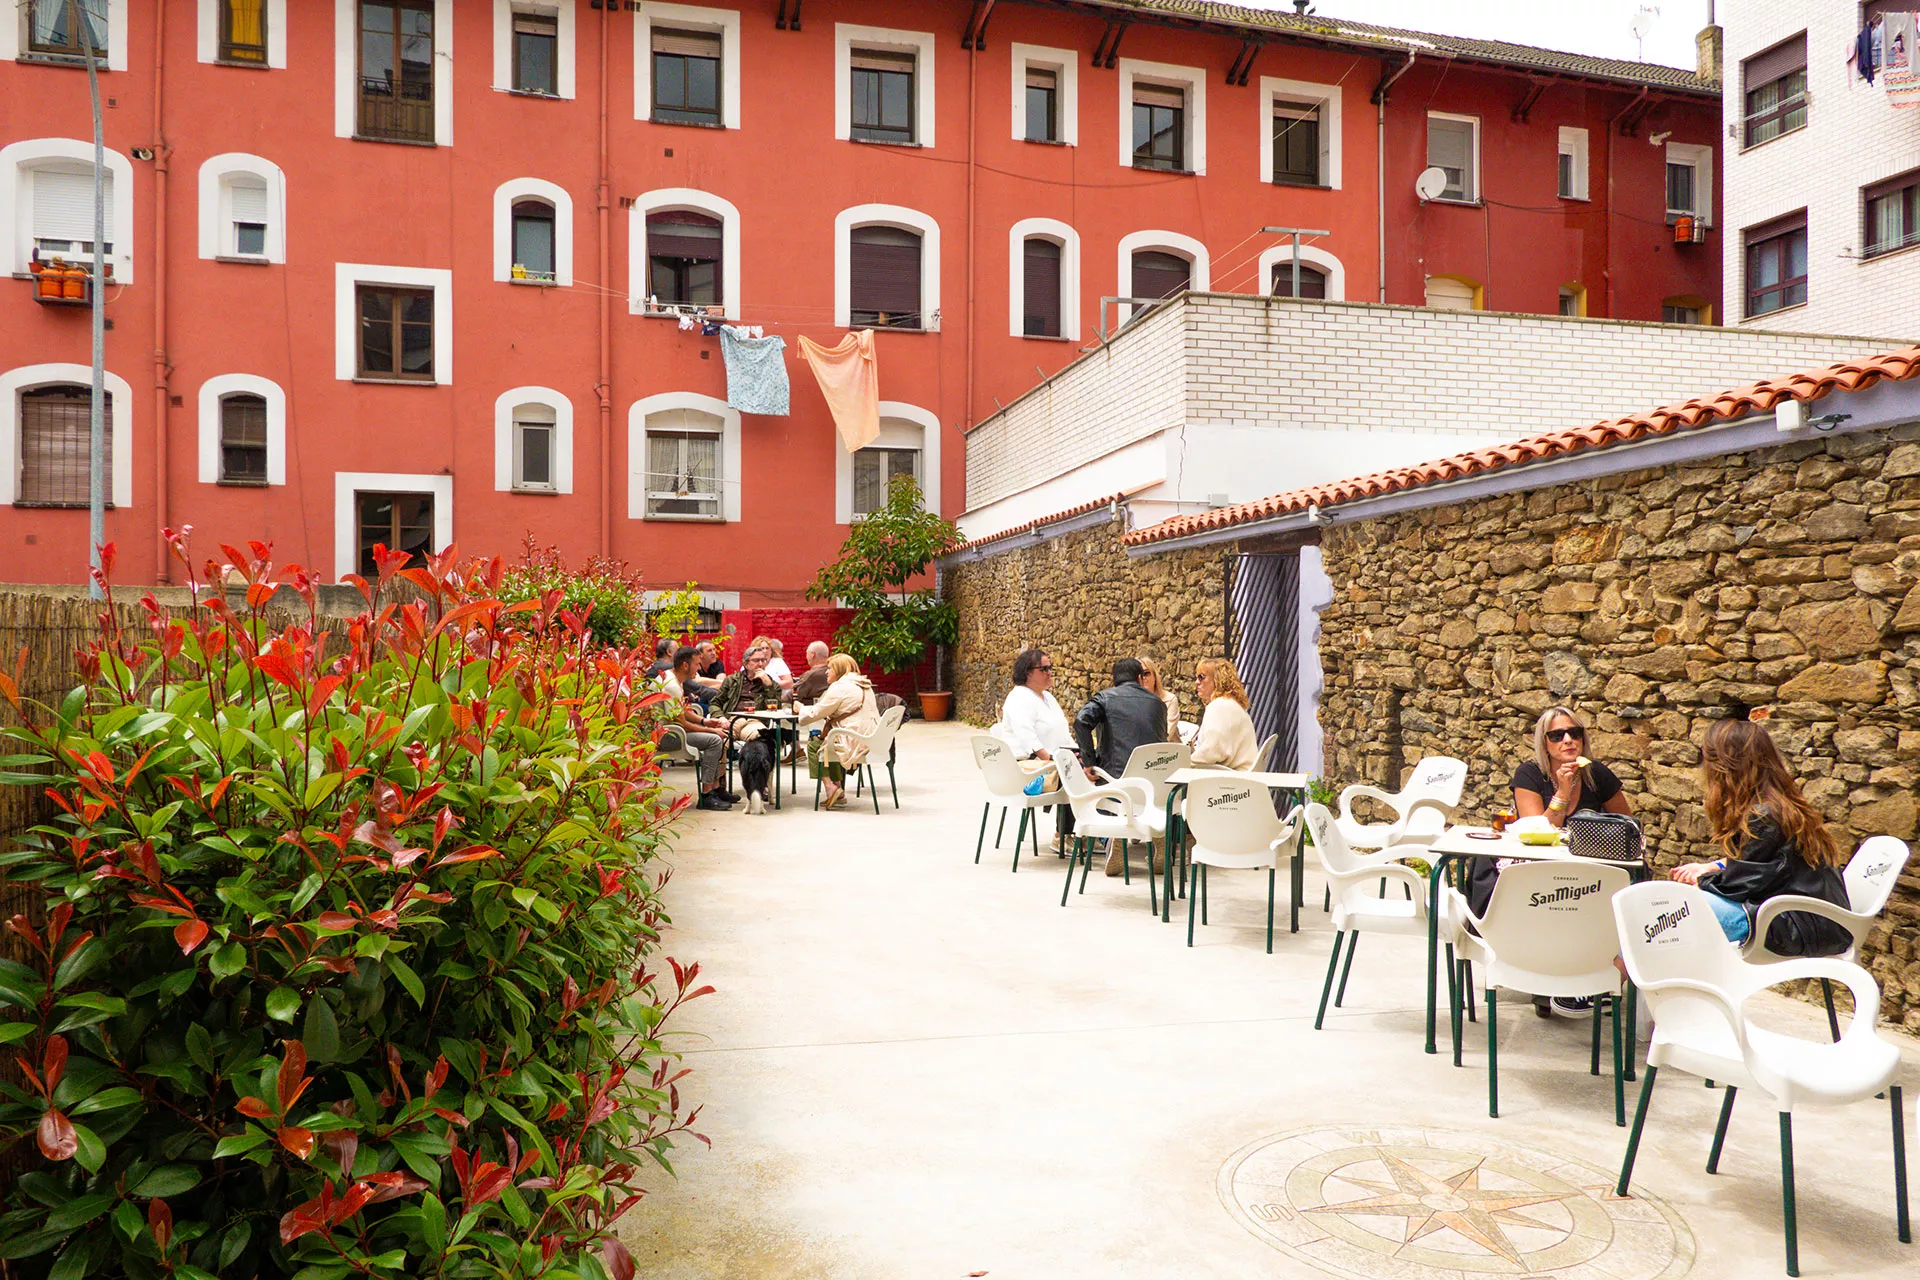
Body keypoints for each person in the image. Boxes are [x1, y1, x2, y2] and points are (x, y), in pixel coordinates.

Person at [1496, 705, 1635, 1016]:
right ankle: (1548, 980)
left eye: (1575, 733)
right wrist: (1561, 791)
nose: (1568, 740)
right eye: (1557, 735)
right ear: (1545, 743)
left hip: (1592, 866)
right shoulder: (1530, 775)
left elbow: (1627, 823)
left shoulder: (1597, 775)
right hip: (1544, 867)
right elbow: (1537, 830)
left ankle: (1598, 979)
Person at [1669, 718, 1849, 955]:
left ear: (1722, 765)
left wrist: (1699, 882)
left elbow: (1739, 886)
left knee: (1666, 913)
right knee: (1664, 917)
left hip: (1793, 925)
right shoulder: (1777, 803)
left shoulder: (1762, 815)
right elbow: (1770, 865)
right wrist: (1711, 867)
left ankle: (1625, 984)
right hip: (1812, 921)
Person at [1074, 657, 1169, 875]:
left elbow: (1081, 720)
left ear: (1114, 680)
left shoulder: (1105, 698)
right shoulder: (1158, 704)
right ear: (1139, 678)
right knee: (1145, 792)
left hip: (1117, 780)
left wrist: (1089, 762)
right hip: (1154, 785)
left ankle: (1117, 835)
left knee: (1096, 783)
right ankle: (1158, 837)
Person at [996, 648, 1077, 851]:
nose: (1049, 672)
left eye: (1050, 668)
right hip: (1027, 768)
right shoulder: (1020, 698)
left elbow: (1063, 734)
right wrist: (1054, 759)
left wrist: (1078, 753)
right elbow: (1028, 739)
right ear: (1028, 672)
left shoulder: (1048, 698)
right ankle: (1064, 835)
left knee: (1090, 767)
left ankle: (1089, 831)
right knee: (1072, 774)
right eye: (1044, 669)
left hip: (1051, 760)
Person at [797, 653, 879, 810]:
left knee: (815, 745)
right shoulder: (865, 685)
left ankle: (831, 787)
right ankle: (838, 789)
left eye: (830, 668)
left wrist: (801, 708)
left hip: (854, 742)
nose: (827, 672)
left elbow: (815, 714)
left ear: (840, 670)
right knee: (828, 741)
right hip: (872, 740)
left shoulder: (840, 687)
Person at [712, 643, 783, 814]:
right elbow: (716, 703)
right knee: (717, 743)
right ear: (746, 663)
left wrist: (768, 685)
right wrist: (720, 717)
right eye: (756, 661)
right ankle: (719, 788)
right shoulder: (732, 680)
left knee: (761, 742)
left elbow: (777, 705)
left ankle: (760, 785)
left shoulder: (769, 682)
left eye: (763, 660)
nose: (760, 664)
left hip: (753, 722)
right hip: (731, 721)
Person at [664, 646, 737, 811]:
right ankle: (706, 796)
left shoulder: (674, 679)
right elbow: (682, 724)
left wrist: (705, 721)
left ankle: (717, 788)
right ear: (685, 665)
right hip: (669, 736)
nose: (698, 669)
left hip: (674, 730)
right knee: (714, 740)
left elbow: (681, 712)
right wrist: (712, 731)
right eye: (696, 665)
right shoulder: (672, 686)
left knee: (719, 736)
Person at [1190, 657, 1257, 770]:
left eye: (1201, 677)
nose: (1197, 682)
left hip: (1230, 780)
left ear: (1218, 679)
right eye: (1196, 677)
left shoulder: (1219, 706)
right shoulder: (1231, 704)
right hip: (1242, 776)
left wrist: (1185, 762)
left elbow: (1213, 750)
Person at [1138, 657, 1181, 743]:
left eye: (1146, 673)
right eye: (1139, 674)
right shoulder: (1132, 701)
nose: (1143, 678)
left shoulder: (1169, 699)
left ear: (1154, 676)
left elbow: (1167, 735)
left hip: (1168, 751)